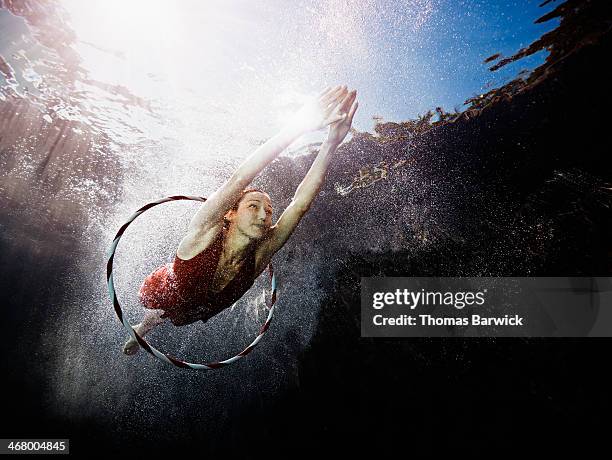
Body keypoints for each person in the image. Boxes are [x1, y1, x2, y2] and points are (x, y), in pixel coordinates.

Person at [123, 85, 359, 355]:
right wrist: (300, 127)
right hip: (165, 289)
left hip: (193, 310)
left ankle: (146, 325)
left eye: (269, 211)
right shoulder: (205, 230)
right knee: (158, 310)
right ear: (230, 213)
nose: (263, 215)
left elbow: (299, 205)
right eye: (254, 206)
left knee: (172, 315)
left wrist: (331, 143)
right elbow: (240, 179)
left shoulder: (260, 256)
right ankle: (143, 326)